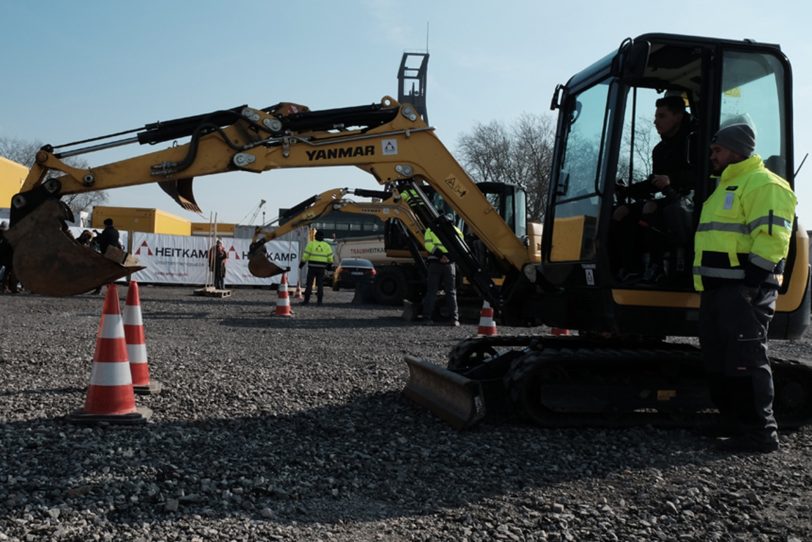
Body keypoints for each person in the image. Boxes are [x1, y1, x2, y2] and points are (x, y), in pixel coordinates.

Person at [693, 123, 796, 453]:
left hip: (744, 290)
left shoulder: (764, 184)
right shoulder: (726, 185)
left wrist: (752, 283)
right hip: (719, 289)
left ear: (736, 150)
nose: (712, 155)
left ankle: (761, 432)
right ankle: (734, 421)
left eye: (717, 150)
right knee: (720, 357)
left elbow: (773, 238)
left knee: (747, 357)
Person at [613, 94, 694, 283]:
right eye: (656, 116)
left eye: (662, 116)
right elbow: (653, 183)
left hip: (692, 199)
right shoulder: (660, 150)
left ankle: (657, 267)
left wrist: (671, 180)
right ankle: (630, 267)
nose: (655, 122)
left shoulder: (695, 141)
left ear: (679, 116)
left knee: (651, 208)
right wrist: (627, 191)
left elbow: (702, 175)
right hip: (668, 197)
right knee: (621, 212)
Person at [422, 222, 463, 326]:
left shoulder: (430, 230)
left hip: (435, 263)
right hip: (449, 264)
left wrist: (440, 255)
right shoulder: (456, 230)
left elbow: (428, 245)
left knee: (432, 291)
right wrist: (448, 256)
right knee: (451, 292)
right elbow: (459, 246)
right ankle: (454, 319)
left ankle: (427, 318)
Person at [299, 230, 333, 305]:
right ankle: (319, 302)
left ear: (315, 236)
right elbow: (330, 258)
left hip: (312, 267)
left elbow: (305, 256)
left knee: (309, 284)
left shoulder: (311, 244)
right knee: (320, 285)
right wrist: (329, 266)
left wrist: (301, 264)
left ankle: (306, 301)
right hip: (321, 268)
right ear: (323, 237)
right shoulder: (327, 246)